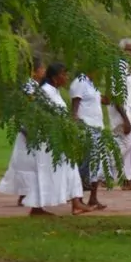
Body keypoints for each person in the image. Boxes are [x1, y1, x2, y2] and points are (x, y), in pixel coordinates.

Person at [27, 63, 92, 216]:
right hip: (49, 141)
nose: (66, 77)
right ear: (55, 77)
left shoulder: (54, 91)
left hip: (60, 139)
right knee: (45, 173)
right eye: (64, 74)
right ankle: (37, 208)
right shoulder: (45, 93)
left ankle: (76, 203)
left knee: (71, 170)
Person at [0, 56, 46, 206]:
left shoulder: (36, 86)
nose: (44, 71)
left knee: (29, 162)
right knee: (27, 162)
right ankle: (25, 194)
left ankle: (28, 193)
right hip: (28, 129)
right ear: (34, 71)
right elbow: (24, 109)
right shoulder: (28, 87)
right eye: (42, 68)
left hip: (34, 128)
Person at [70, 71, 111, 210]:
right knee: (86, 163)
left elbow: (105, 100)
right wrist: (76, 122)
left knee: (97, 164)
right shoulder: (80, 82)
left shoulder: (92, 85)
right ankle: (78, 199)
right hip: (86, 127)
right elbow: (75, 105)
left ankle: (93, 198)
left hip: (97, 126)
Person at [109, 38, 131, 191]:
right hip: (123, 113)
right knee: (125, 145)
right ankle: (108, 172)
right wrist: (125, 119)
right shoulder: (117, 67)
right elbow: (116, 95)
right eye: (128, 50)